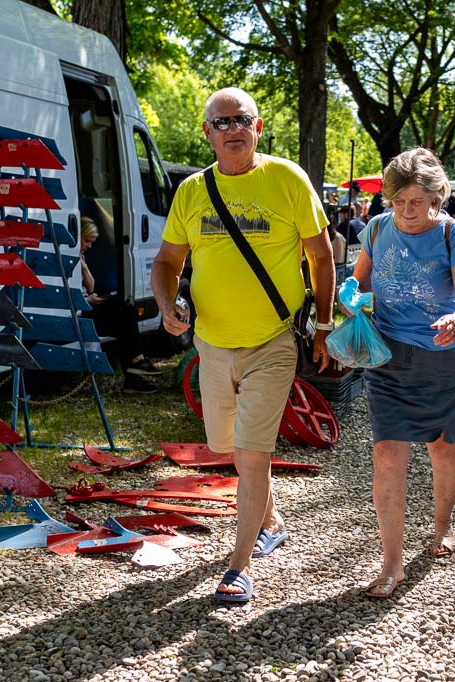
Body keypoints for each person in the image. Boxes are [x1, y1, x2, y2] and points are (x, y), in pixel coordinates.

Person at [150, 87, 335, 604]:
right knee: (227, 446)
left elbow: (322, 258)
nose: (233, 129)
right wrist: (167, 306)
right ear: (207, 132)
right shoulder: (192, 191)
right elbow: (167, 262)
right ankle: (271, 519)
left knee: (253, 453)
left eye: (242, 120)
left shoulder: (287, 179)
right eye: (222, 122)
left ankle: (238, 566)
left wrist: (324, 325)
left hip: (272, 341)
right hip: (211, 345)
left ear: (257, 127)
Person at [348, 147, 455, 598]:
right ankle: (392, 564)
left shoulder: (452, 233)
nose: (407, 211)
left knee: (442, 447)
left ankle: (443, 524)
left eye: (417, 202)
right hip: (386, 357)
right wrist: (350, 297)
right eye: (399, 201)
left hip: (441, 359)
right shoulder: (376, 228)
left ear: (436, 199)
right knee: (386, 454)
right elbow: (360, 280)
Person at [77, 215, 162, 394]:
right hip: (79, 311)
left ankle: (134, 373)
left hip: (86, 306)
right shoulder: (65, 258)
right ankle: (136, 367)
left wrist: (83, 266)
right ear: (78, 236)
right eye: (86, 241)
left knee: (125, 314)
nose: (89, 246)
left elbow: (91, 286)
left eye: (91, 242)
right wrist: (87, 300)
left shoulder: (80, 257)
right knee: (124, 317)